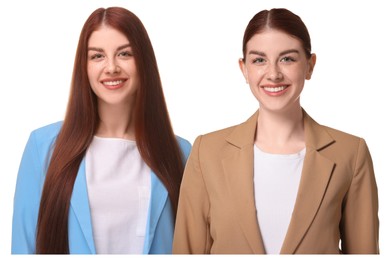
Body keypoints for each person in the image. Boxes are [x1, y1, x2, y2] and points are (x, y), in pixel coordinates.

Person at [173, 8, 379, 254]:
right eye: (259, 60)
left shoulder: (351, 154)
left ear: (310, 66)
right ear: (244, 69)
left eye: (287, 58)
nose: (273, 74)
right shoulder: (206, 153)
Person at [12, 7, 191, 254]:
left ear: (144, 61)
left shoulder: (182, 153)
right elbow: (23, 248)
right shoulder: (43, 147)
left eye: (125, 54)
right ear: (83, 66)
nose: (111, 67)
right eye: (97, 56)